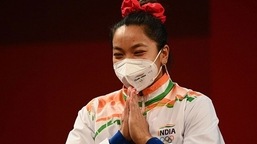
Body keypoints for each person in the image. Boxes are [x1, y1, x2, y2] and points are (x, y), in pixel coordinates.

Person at [66, 0, 225, 143]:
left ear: (163, 54)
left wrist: (145, 139)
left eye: (138, 52)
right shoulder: (93, 110)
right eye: (119, 54)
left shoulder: (193, 105)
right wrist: (118, 139)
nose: (127, 62)